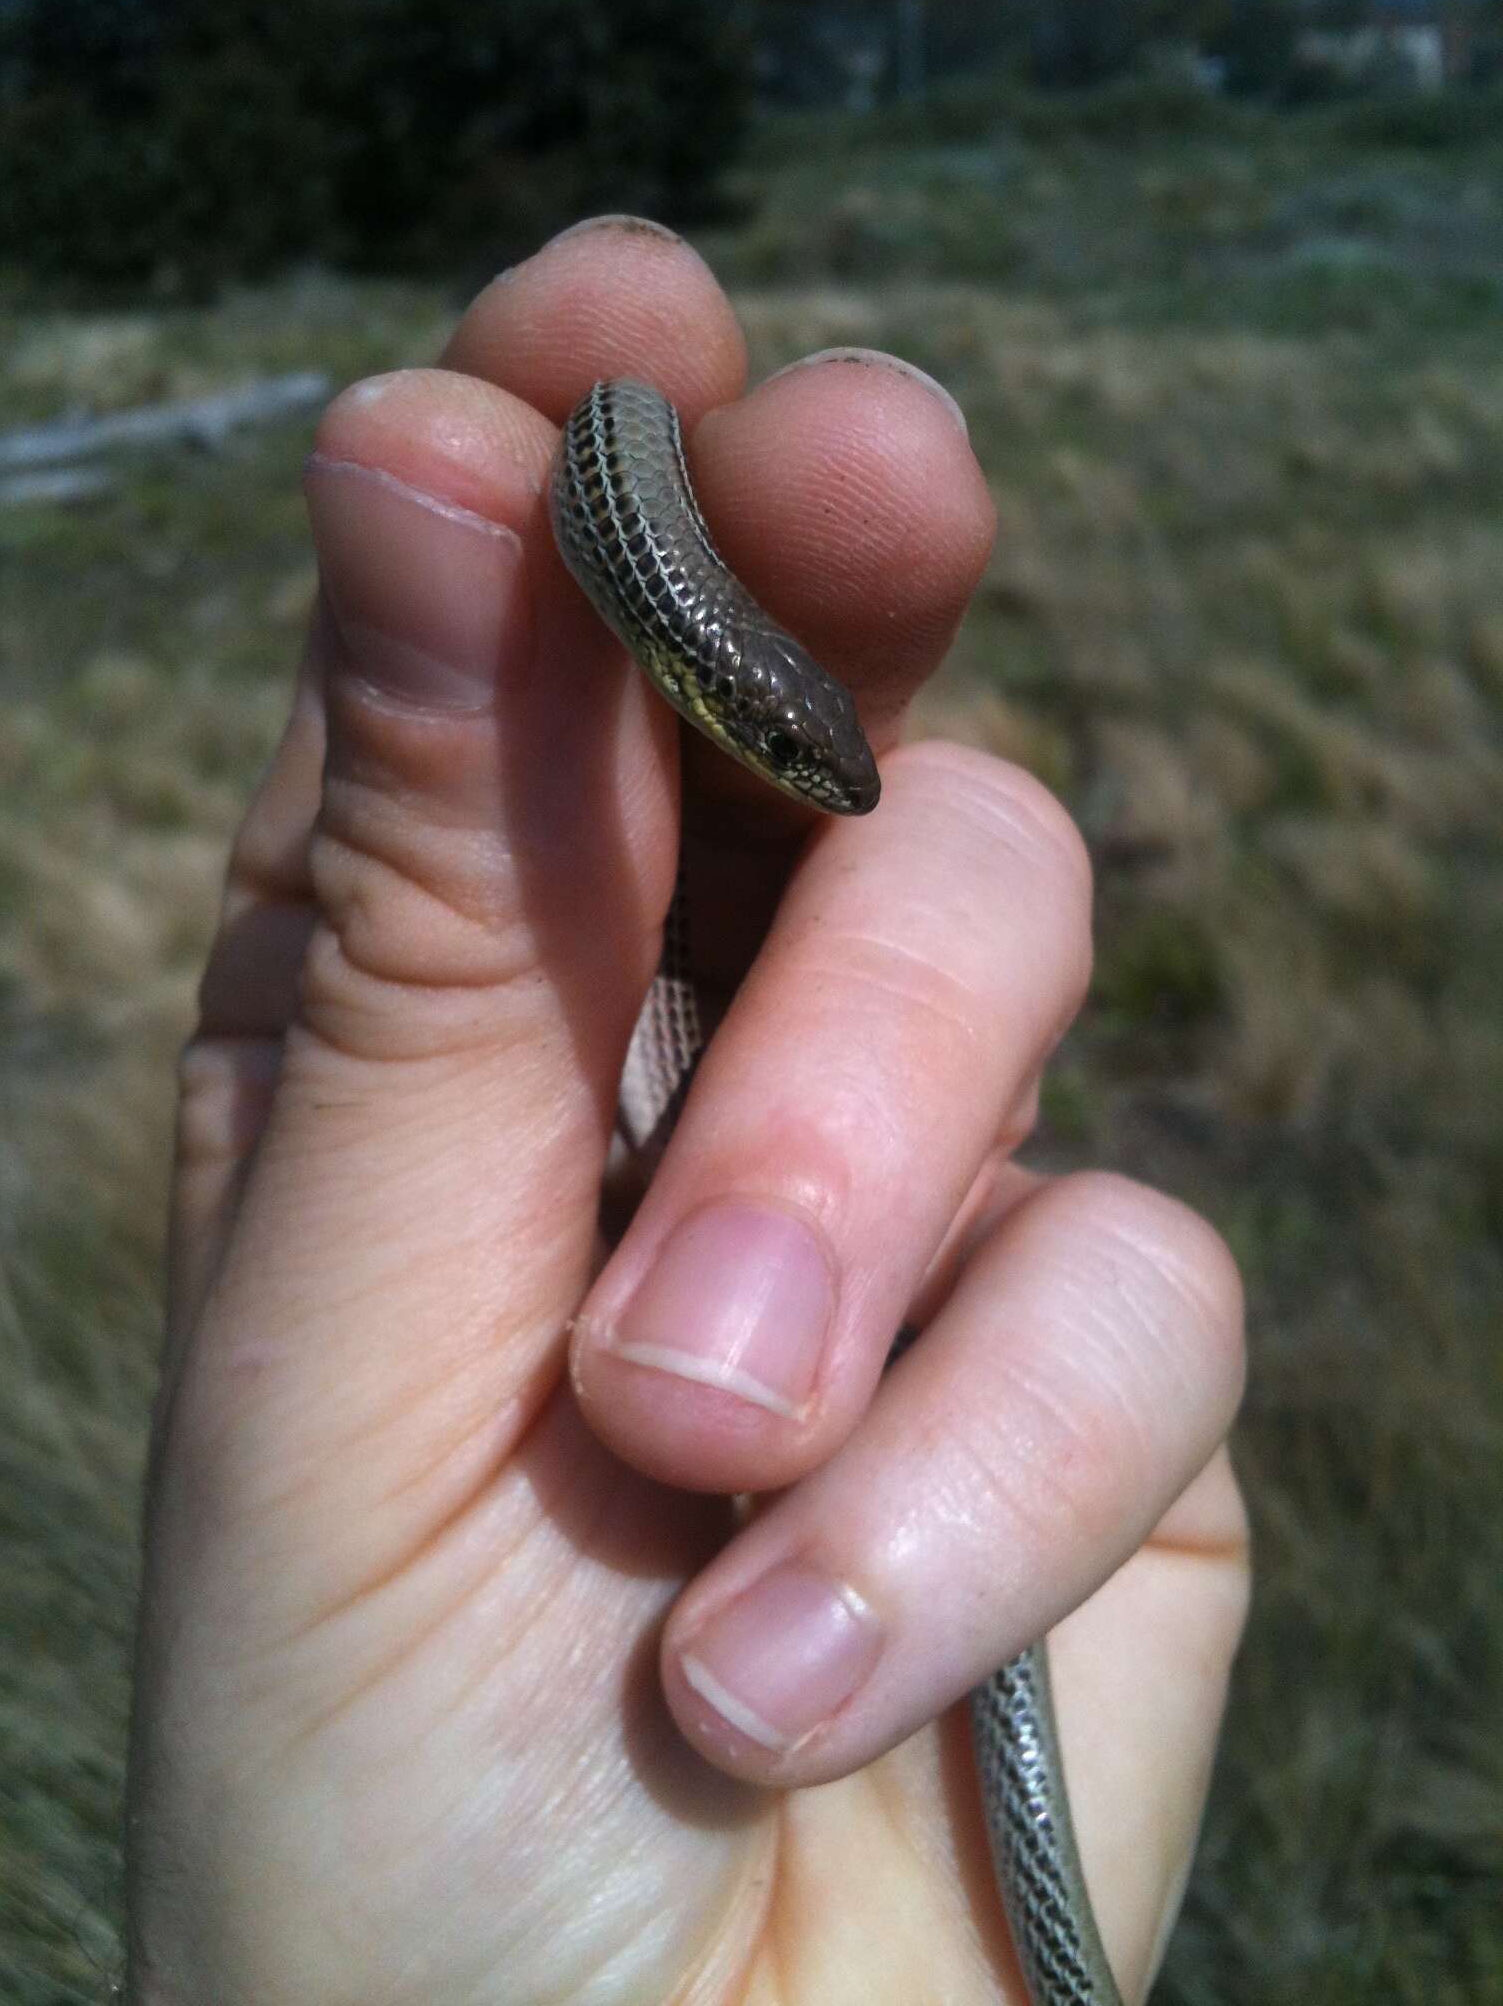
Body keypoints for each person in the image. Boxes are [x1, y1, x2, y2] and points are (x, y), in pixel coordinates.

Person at [123, 216, 1248, 2005]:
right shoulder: (629, 569)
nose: (818, 784)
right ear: (725, 694)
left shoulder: (685, 594)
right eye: (793, 758)